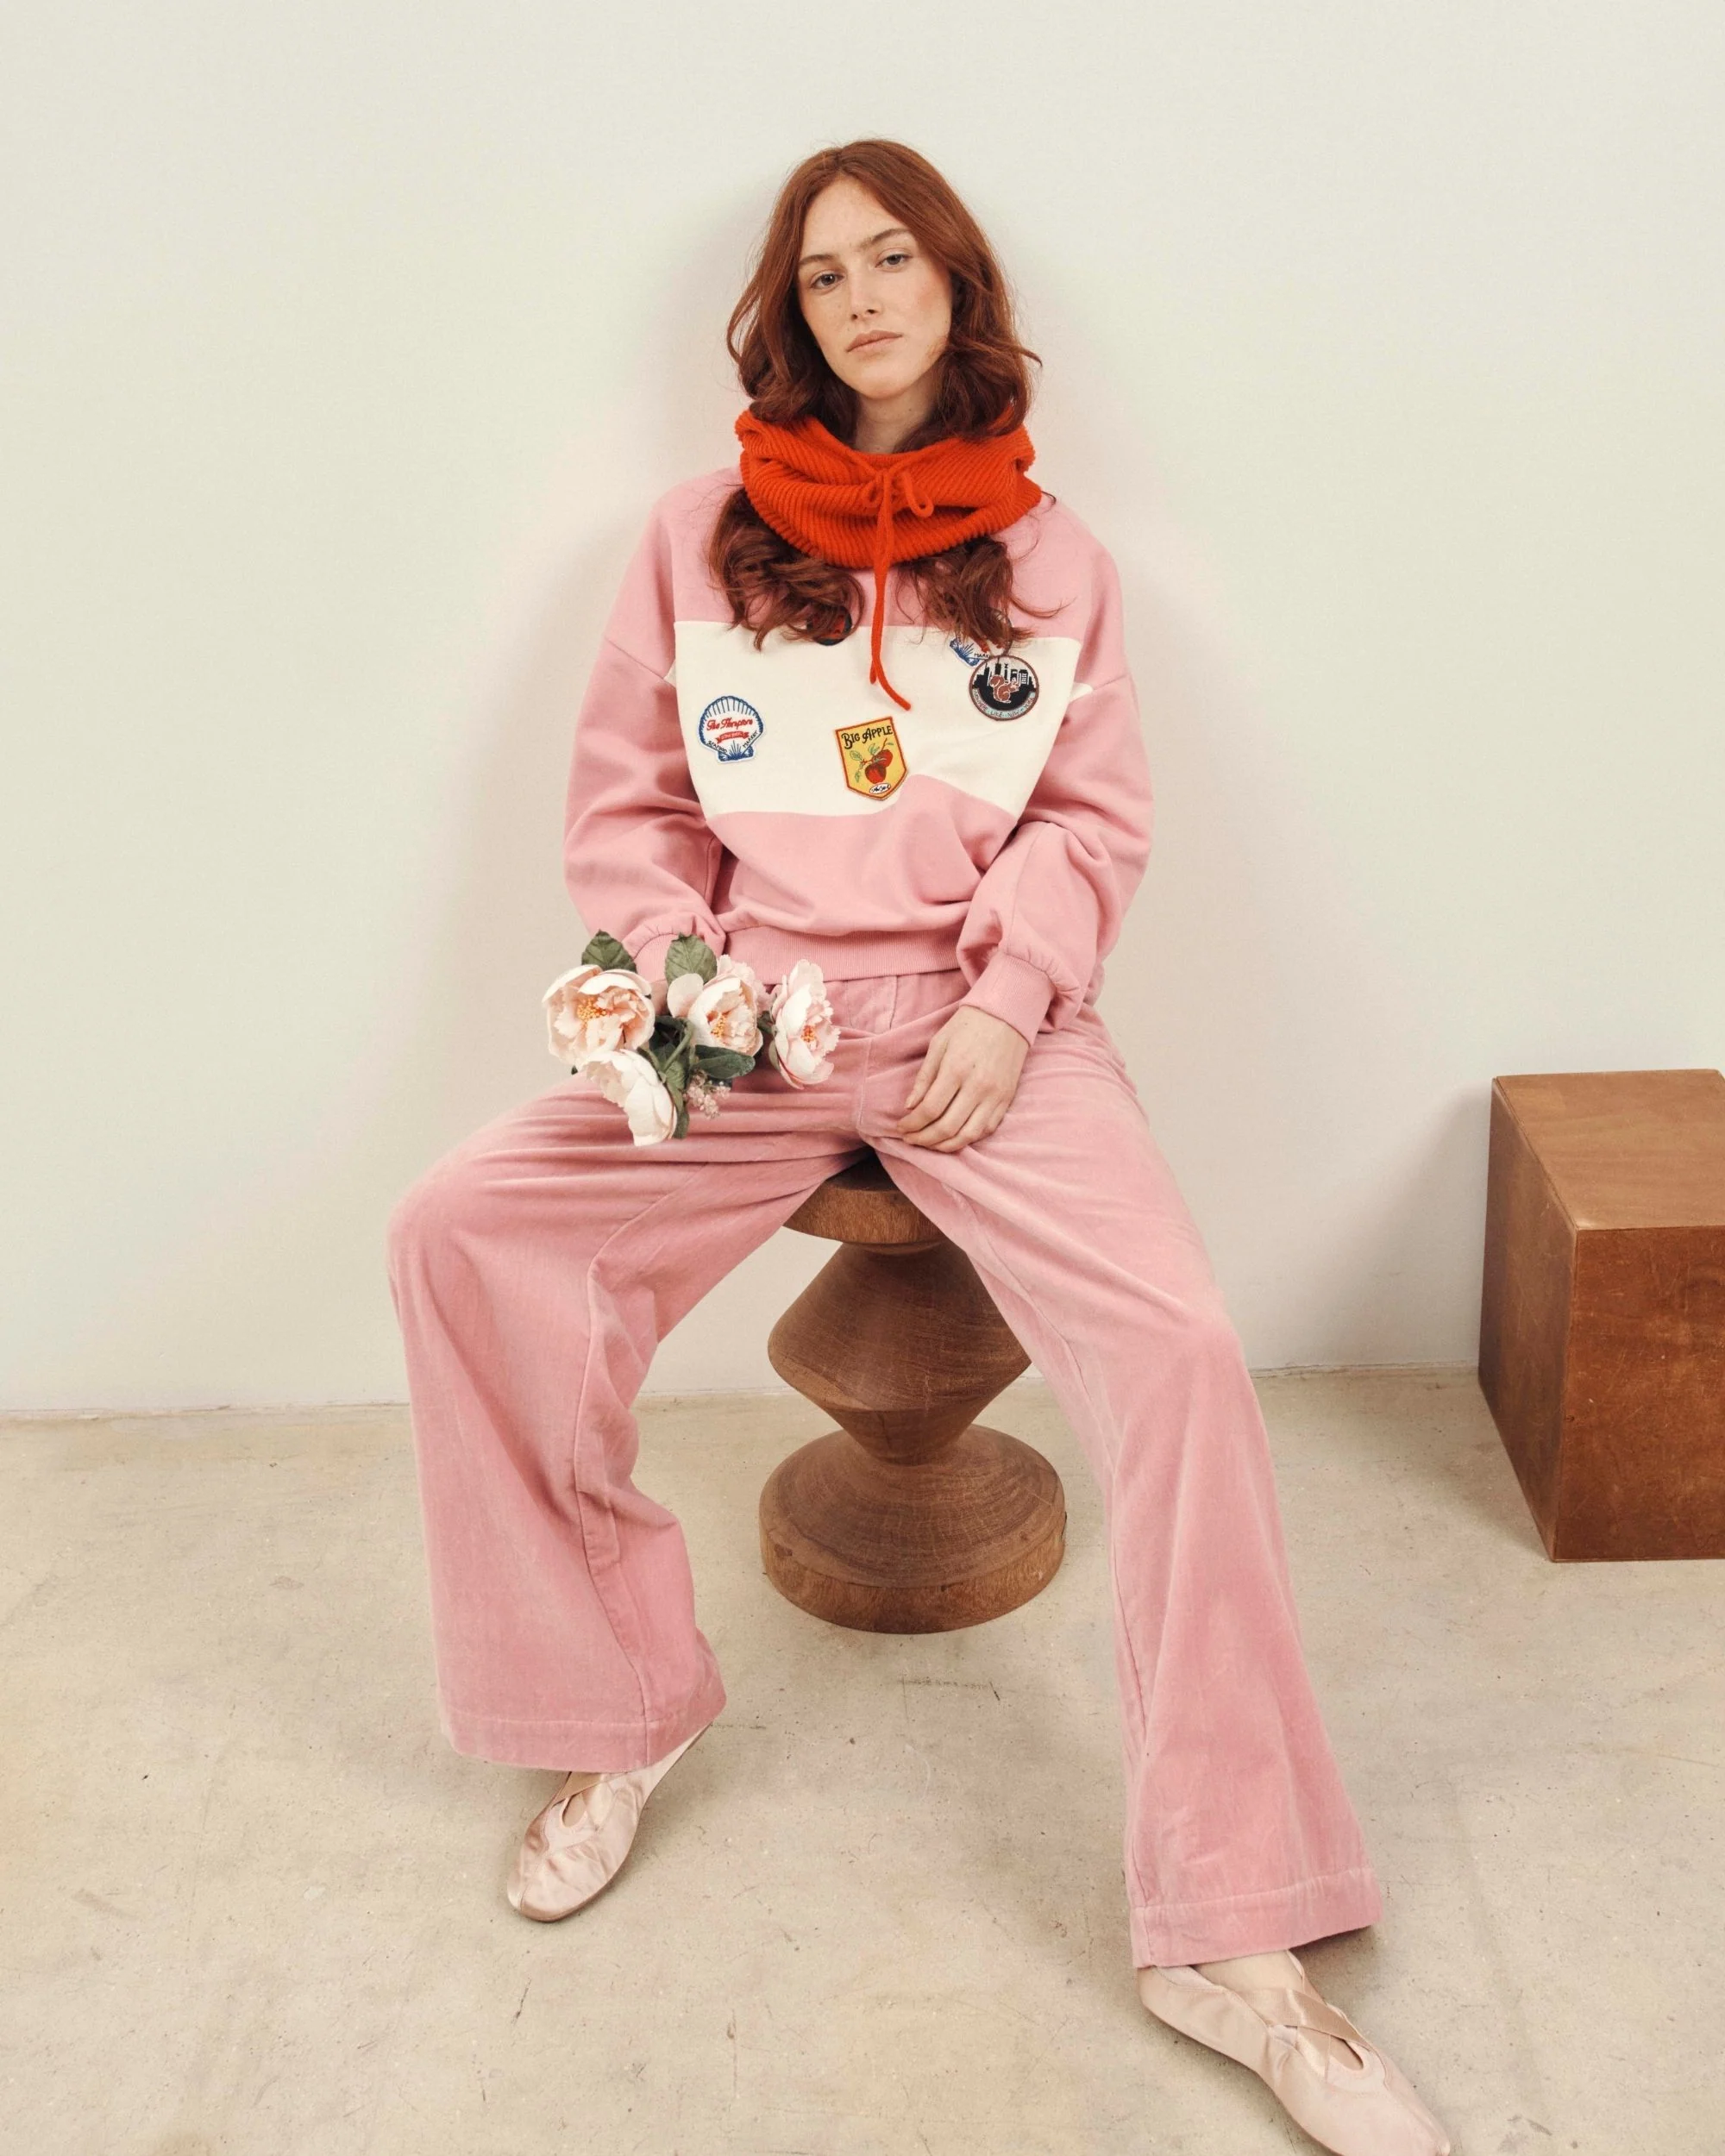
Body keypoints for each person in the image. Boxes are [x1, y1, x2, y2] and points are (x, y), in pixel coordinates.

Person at [385, 138, 1450, 2156]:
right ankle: (619, 1706)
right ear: (786, 317)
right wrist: (692, 979)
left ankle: (1233, 1930)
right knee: (459, 1229)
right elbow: (628, 809)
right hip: (746, 1018)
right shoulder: (693, 539)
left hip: (984, 1025)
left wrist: (1004, 996)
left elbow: (1088, 820)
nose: (861, 296)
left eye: (893, 258)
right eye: (823, 274)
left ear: (955, 284)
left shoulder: (1056, 560)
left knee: (1185, 1356)